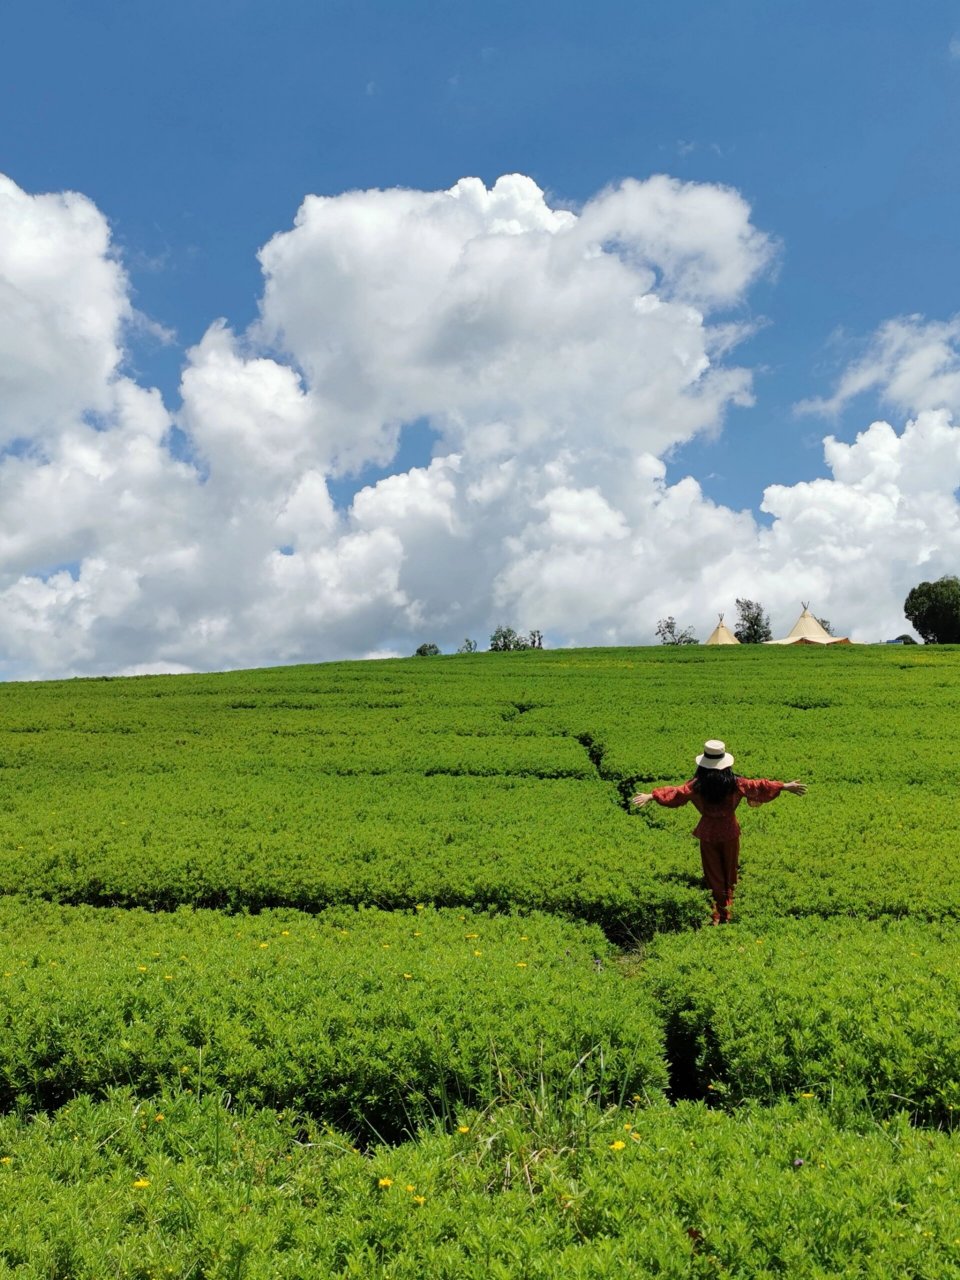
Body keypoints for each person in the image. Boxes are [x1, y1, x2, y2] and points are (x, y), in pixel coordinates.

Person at [631, 739, 806, 925]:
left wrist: (651, 796)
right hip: (730, 830)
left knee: (713, 873)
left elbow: (677, 793)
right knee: (729, 871)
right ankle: (728, 912)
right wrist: (785, 786)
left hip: (708, 832)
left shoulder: (697, 785)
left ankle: (717, 915)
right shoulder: (735, 783)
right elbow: (758, 786)